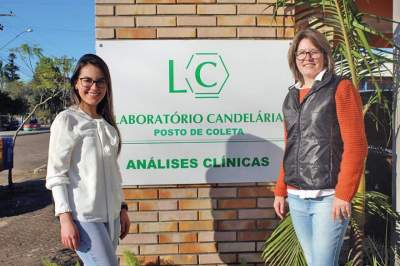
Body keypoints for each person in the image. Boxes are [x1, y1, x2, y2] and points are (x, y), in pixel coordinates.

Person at [273, 28, 368, 266]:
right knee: (314, 261)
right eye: (301, 53)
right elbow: (291, 146)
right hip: (296, 197)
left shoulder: (341, 88)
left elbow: (356, 145)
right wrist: (280, 190)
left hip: (329, 197)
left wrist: (344, 195)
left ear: (325, 54)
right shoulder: (291, 96)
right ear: (294, 58)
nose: (307, 58)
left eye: (313, 52)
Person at [46, 54, 130, 266]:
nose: (94, 87)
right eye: (87, 80)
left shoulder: (107, 126)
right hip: (84, 217)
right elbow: (57, 174)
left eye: (100, 81)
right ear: (76, 83)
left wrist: (122, 208)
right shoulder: (67, 120)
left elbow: (114, 173)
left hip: (110, 217)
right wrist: (65, 219)